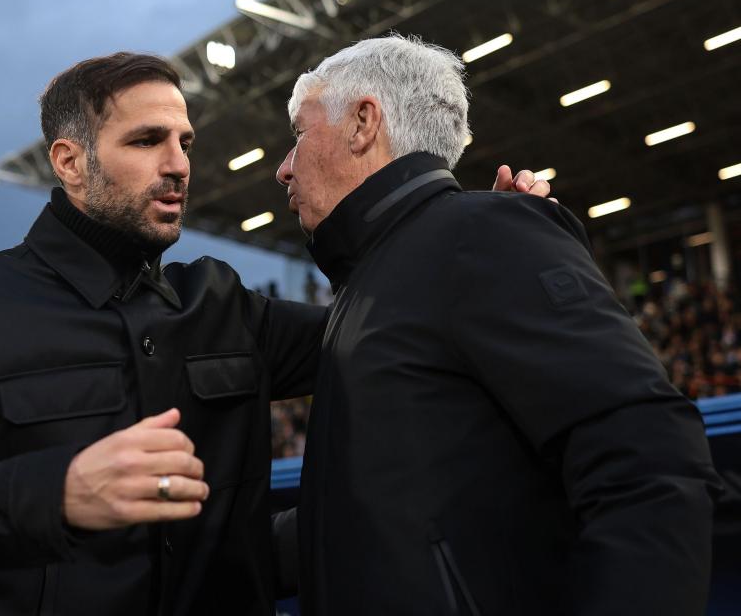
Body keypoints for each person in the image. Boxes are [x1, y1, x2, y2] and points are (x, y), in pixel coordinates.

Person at [0, 51, 543, 614]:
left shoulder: (222, 303)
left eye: (185, 142)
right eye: (146, 140)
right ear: (69, 162)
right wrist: (58, 492)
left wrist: (472, 248)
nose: (179, 164)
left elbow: (393, 328)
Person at [274, 35, 723, 615]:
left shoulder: (481, 237)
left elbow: (651, 461)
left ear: (363, 123)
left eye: (299, 134)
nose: (284, 168)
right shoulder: (386, 281)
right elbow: (386, 519)